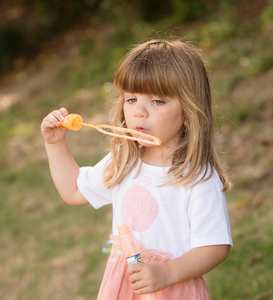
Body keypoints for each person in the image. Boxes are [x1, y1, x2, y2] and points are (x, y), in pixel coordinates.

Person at [41, 39, 233, 300]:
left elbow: (215, 246)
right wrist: (55, 144)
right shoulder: (124, 161)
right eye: (131, 99)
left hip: (172, 288)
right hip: (124, 285)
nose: (139, 112)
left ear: (189, 111)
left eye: (157, 101)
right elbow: (73, 190)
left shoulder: (197, 177)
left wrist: (167, 274)